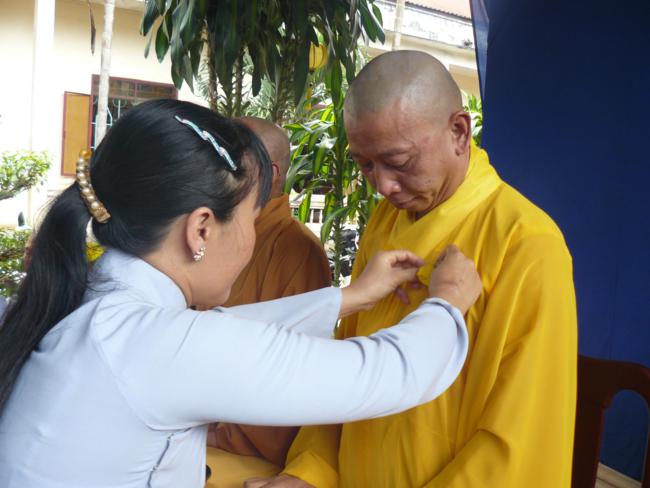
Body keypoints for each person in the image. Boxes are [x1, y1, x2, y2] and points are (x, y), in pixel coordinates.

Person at [0, 99, 482, 488]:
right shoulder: (159, 345)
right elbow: (385, 373)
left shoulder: (91, 298)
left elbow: (216, 333)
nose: (254, 236)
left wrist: (349, 298)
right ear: (201, 229)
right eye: (252, 218)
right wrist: (447, 303)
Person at [253, 51, 577, 488]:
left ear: (459, 132)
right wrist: (310, 471)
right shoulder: (385, 223)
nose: (384, 186)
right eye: (365, 164)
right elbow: (346, 366)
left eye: (400, 162)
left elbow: (518, 443)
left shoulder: (526, 244)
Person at [206, 117, 332, 483]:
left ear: (269, 173)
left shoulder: (295, 250)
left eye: (229, 160)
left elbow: (293, 378)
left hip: (241, 452)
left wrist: (212, 431)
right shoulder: (209, 232)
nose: (212, 167)